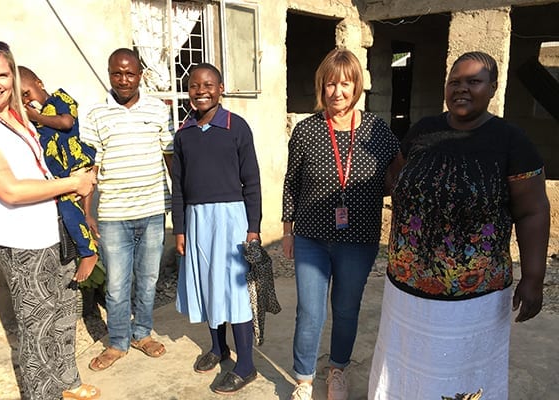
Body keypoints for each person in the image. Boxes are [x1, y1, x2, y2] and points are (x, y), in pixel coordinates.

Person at [368, 51, 550, 399]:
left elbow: (533, 212)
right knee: (406, 365)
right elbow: (395, 177)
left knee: (460, 376)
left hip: (473, 301)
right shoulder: (424, 130)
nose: (461, 89)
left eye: (473, 81)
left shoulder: (512, 142)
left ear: (493, 87)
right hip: (406, 292)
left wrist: (533, 278)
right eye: (455, 82)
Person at [0, 39, 99, 399]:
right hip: (23, 242)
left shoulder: (19, 117)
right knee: (37, 327)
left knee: (65, 311)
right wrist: (73, 182)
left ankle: (68, 382)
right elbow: (9, 190)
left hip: (54, 229)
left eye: (3, 73)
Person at [282, 48, 401, 400]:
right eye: (330, 84)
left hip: (359, 239)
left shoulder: (378, 131)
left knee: (347, 308)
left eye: (345, 84)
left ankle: (337, 370)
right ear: (322, 87)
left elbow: (400, 174)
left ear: (357, 86)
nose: (337, 92)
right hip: (310, 239)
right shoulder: (306, 131)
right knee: (309, 311)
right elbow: (292, 183)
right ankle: (304, 379)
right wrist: (287, 231)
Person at [80, 48, 174, 371]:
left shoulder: (159, 110)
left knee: (148, 279)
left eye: (129, 73)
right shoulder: (95, 114)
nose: (123, 80)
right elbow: (89, 169)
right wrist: (87, 212)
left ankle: (142, 333)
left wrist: (180, 204)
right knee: (117, 284)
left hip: (152, 210)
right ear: (109, 74)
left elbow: (170, 157)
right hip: (113, 216)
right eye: (116, 73)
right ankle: (118, 342)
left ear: (140, 75)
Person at [172, 63, 262, 395]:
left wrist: (253, 229)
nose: (201, 90)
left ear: (220, 88)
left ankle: (246, 364)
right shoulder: (183, 133)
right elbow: (178, 186)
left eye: (208, 84)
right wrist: (179, 228)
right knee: (208, 284)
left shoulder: (236, 127)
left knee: (233, 290)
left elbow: (252, 181)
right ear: (189, 91)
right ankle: (218, 348)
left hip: (230, 219)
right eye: (194, 85)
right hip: (197, 220)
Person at [18, 65, 99, 284]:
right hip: (61, 177)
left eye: (27, 93)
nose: (26, 101)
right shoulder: (34, 119)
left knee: (67, 209)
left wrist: (37, 117)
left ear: (40, 84)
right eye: (20, 98)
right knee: (70, 212)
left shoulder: (61, 99)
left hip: (74, 163)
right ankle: (85, 244)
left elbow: (67, 122)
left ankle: (88, 253)